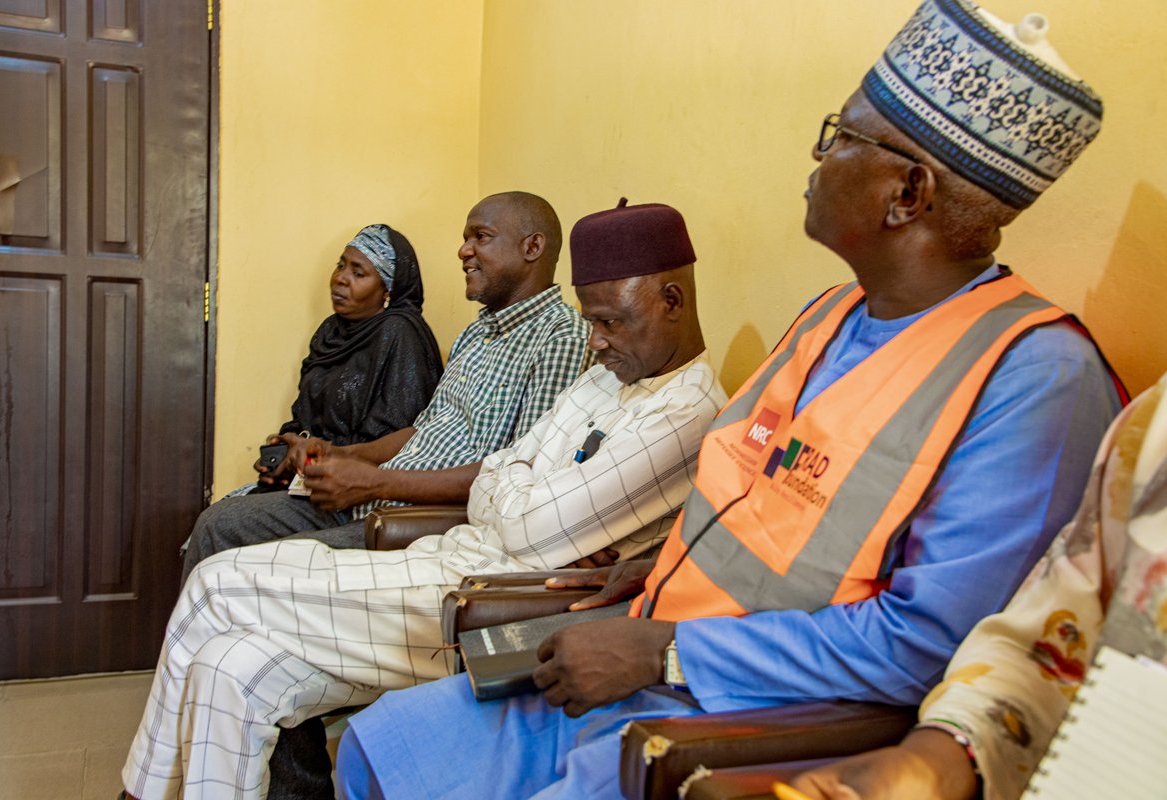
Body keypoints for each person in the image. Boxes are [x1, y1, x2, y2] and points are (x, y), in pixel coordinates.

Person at [333, 3, 1127, 798]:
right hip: (640, 638)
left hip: (733, 718)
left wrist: (666, 652)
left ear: (906, 192)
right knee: (373, 747)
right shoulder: (827, 315)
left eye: (841, 138)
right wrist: (655, 566)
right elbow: (762, 492)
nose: (816, 159)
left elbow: (931, 646)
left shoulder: (1036, 377)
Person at [119, 200, 729, 800]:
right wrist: (515, 489)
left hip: (483, 598)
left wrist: (511, 490)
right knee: (228, 667)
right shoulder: (605, 374)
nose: (594, 342)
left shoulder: (686, 411)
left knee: (214, 583)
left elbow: (531, 527)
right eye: (592, 322)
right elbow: (501, 473)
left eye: (610, 323)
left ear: (669, 302)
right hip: (449, 549)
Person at [790, 371, 1166, 800]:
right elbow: (1047, 654)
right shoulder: (1154, 428)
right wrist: (931, 765)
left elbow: (919, 638)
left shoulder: (1044, 371)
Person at [180, 191, 593, 576]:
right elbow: (422, 431)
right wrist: (344, 456)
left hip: (416, 520)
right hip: (376, 495)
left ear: (532, 248)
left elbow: (515, 477)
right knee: (219, 524)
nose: (463, 251)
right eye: (465, 239)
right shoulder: (476, 334)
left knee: (247, 570)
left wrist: (374, 482)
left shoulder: (560, 338)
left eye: (480, 237)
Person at [232, 224, 442, 496]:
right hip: (308, 477)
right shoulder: (329, 331)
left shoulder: (399, 333)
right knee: (224, 513)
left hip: (355, 486)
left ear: (387, 291)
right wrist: (285, 452)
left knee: (220, 523)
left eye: (358, 273)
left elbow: (401, 437)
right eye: (340, 266)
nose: (340, 279)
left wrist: (314, 457)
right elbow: (304, 419)